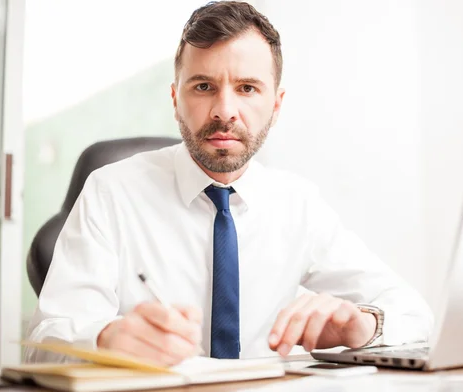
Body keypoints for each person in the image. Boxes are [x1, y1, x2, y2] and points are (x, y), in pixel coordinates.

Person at [24, 1, 433, 365]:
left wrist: (362, 326)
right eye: (203, 86)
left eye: (247, 88)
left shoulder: (298, 204)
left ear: (276, 104)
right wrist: (106, 339)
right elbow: (43, 343)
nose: (225, 110)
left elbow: (416, 315)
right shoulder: (110, 191)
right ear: (174, 98)